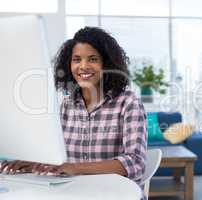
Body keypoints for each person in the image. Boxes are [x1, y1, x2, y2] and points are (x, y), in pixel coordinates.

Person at [0, 27, 147, 188]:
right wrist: (31, 162)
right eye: (77, 59)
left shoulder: (128, 103)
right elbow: (58, 156)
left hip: (115, 193)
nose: (83, 66)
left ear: (107, 63)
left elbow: (135, 163)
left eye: (92, 59)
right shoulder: (67, 105)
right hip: (75, 191)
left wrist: (74, 168)